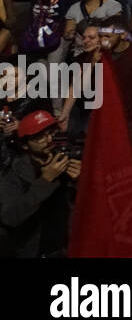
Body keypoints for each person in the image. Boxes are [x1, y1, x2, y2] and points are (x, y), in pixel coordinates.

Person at [0, 110, 81, 257]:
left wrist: (79, 181)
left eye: (51, 133)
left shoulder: (65, 160)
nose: (49, 140)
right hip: (34, 250)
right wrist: (45, 180)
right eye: (39, 137)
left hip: (66, 247)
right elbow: (10, 217)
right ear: (25, 145)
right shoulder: (13, 174)